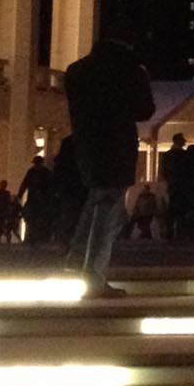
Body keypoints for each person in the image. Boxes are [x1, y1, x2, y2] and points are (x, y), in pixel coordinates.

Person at [63, 28, 157, 297]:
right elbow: (144, 110)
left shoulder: (77, 70)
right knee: (108, 209)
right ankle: (93, 276)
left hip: (86, 146)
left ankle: (78, 255)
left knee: (97, 198)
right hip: (116, 147)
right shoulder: (130, 71)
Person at [16, 155, 55, 246]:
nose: (36, 165)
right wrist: (20, 195)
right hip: (34, 199)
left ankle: (39, 237)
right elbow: (25, 184)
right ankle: (32, 237)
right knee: (31, 218)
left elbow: (50, 186)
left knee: (39, 218)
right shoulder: (32, 172)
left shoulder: (45, 173)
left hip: (42, 199)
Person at [160, 133, 189, 240]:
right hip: (181, 186)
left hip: (173, 185)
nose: (185, 141)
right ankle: (179, 233)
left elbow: (165, 172)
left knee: (172, 209)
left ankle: (170, 232)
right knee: (181, 210)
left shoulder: (168, 155)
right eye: (183, 139)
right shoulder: (184, 155)